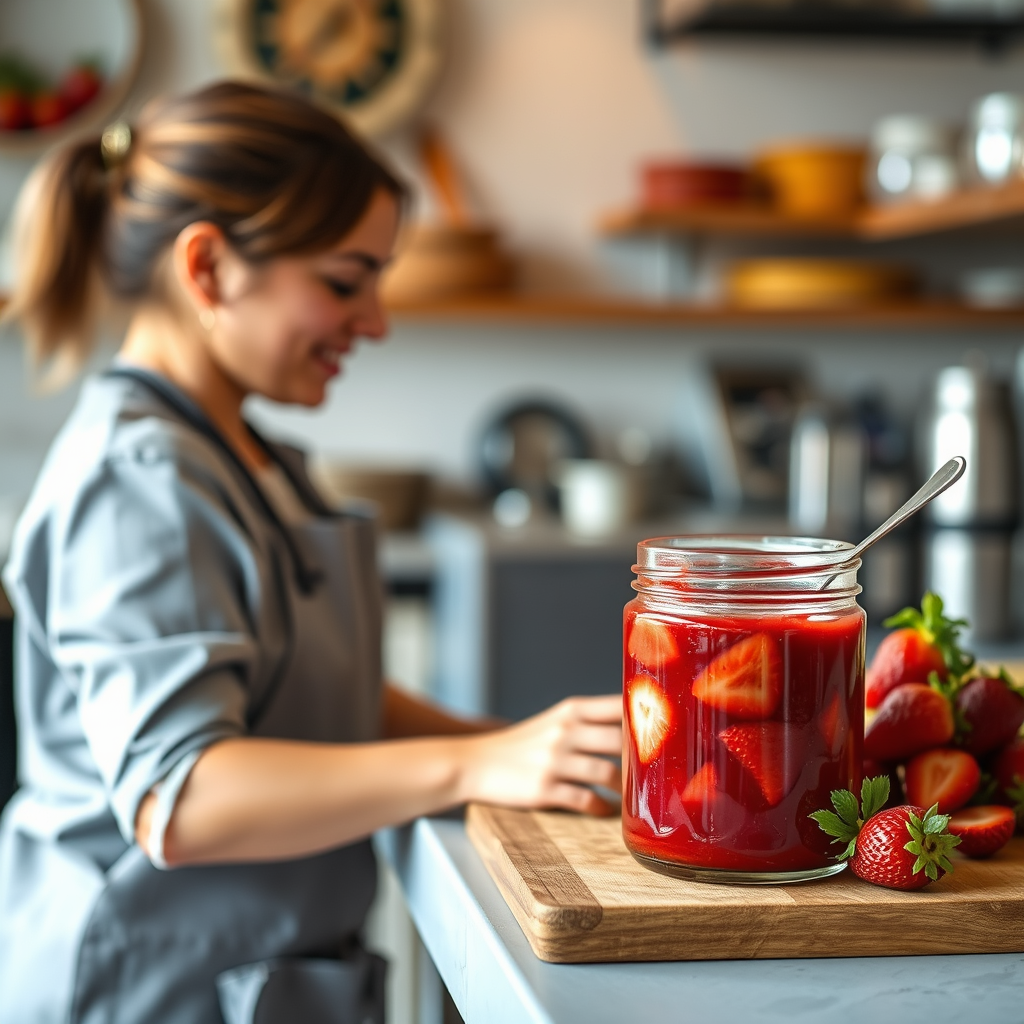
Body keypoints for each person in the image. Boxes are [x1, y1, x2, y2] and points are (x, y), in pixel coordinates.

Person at [0, 81, 622, 1024]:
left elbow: (308, 691)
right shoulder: (138, 479)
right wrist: (473, 767)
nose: (374, 320)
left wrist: (516, 748)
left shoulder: (242, 455)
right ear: (207, 268)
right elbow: (183, 795)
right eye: (344, 280)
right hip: (147, 988)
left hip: (253, 971)